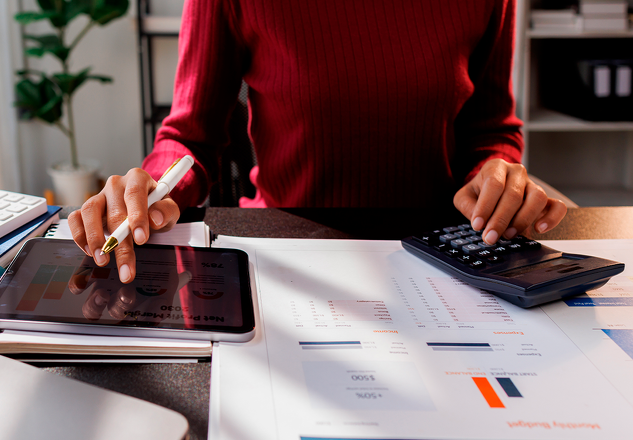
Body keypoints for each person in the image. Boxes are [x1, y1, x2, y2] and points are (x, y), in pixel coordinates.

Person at [69, 0, 567, 283]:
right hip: (284, 256)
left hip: (443, 258)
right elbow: (189, 136)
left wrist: (494, 174)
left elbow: (491, 129)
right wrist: (154, 188)